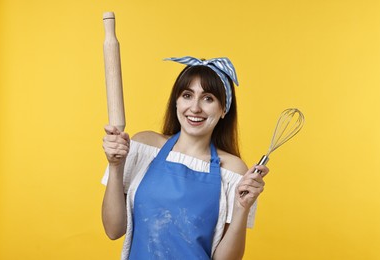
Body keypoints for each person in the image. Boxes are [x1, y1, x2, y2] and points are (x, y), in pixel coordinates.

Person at [101, 56, 269, 260]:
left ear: (224, 109)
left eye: (208, 98)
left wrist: (242, 208)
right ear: (176, 102)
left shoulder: (233, 171)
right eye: (187, 95)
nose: (195, 108)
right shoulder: (144, 147)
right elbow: (113, 230)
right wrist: (116, 166)